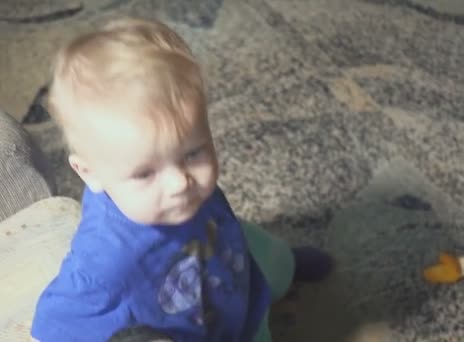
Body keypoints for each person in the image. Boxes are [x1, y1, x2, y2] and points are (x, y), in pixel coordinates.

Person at [31, 17, 332, 342]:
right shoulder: (105, 260)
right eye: (145, 172)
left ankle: (286, 269)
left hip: (226, 247)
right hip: (195, 325)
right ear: (90, 173)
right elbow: (53, 327)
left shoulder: (173, 190)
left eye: (193, 153)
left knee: (261, 253)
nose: (180, 182)